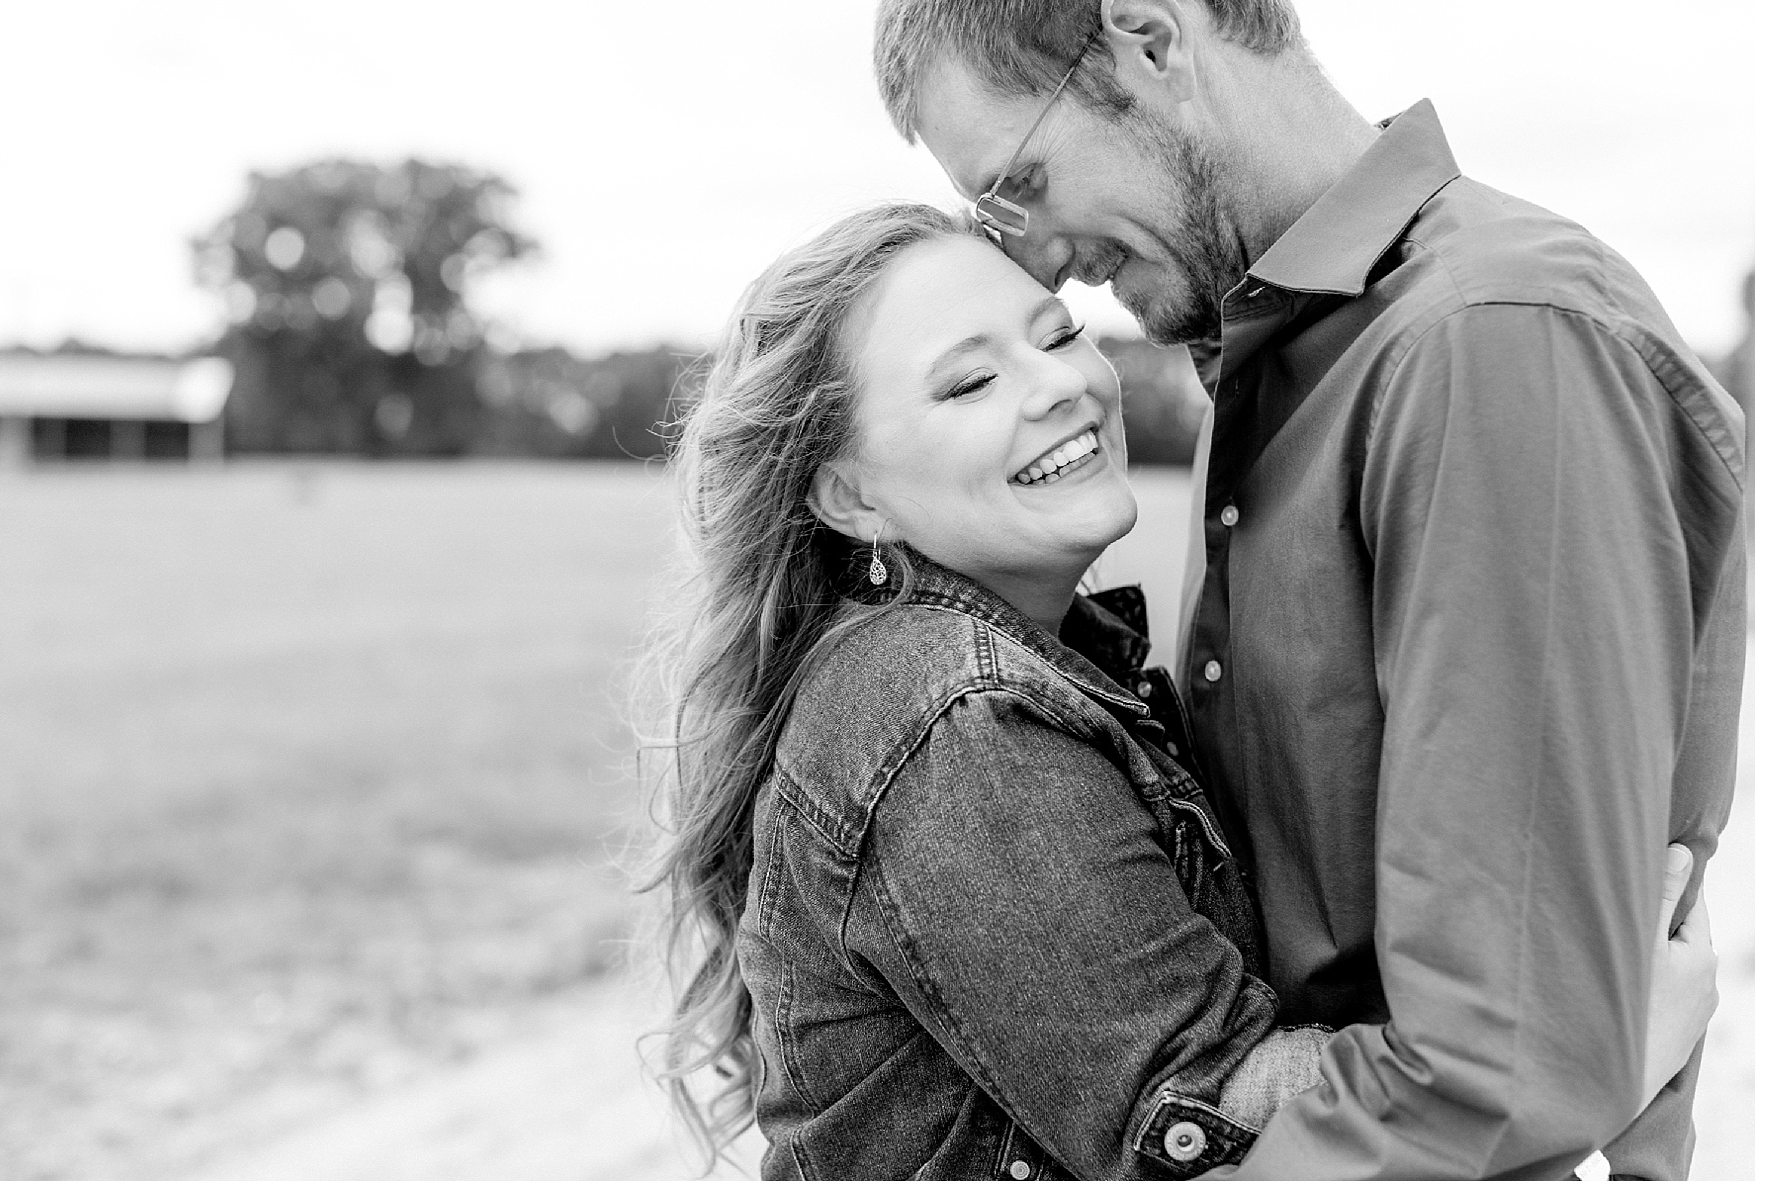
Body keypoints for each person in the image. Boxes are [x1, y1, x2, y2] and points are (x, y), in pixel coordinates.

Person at [639, 200, 1717, 1179]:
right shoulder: (950, 716)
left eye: (1057, 334)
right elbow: (1201, 1130)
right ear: (850, 495)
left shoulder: (1035, 667)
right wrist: (1573, 1050)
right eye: (970, 382)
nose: (1061, 382)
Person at [871, 0, 1748, 1180]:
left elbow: (1497, 1073)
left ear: (1147, 40)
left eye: (1018, 184)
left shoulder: (1486, 339)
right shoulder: (1286, 364)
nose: (1033, 258)